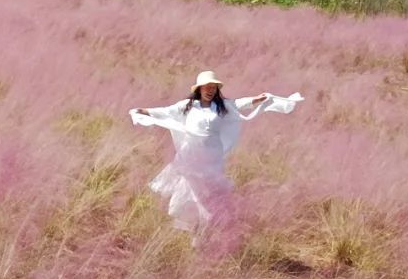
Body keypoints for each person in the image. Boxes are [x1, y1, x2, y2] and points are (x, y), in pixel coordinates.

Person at [129, 70, 303, 234]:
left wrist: (258, 99)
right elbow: (166, 111)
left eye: (213, 88)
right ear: (199, 89)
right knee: (191, 184)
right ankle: (194, 222)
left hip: (212, 154)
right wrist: (143, 111)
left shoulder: (222, 106)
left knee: (210, 188)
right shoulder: (188, 106)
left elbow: (240, 104)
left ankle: (207, 222)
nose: (210, 90)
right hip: (192, 152)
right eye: (207, 87)